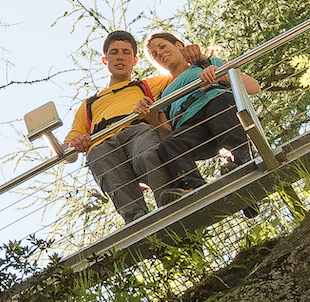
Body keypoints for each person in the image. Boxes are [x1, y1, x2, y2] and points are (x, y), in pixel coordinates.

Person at [59, 28, 171, 220]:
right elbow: (66, 151)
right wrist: (75, 143)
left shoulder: (147, 85)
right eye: (114, 52)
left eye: (126, 52)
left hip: (135, 130)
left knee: (147, 153)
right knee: (105, 166)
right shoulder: (89, 105)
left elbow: (181, 69)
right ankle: (136, 222)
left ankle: (169, 201)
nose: (120, 57)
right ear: (105, 60)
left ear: (135, 60)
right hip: (101, 145)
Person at [146, 32, 254, 193]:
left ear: (178, 45)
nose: (160, 53)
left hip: (219, 108)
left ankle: (242, 165)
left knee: (218, 105)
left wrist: (221, 73)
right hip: (192, 127)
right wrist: (150, 116)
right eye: (154, 55)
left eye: (162, 47)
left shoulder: (207, 64)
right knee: (169, 144)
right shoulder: (163, 96)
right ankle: (194, 188)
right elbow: (165, 134)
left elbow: (253, 86)